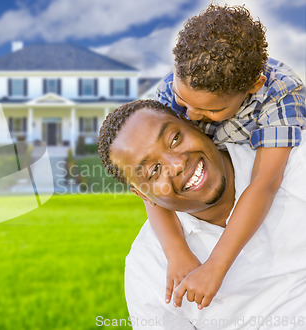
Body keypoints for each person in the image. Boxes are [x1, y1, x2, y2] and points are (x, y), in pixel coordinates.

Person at [97, 99, 306, 329]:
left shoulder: (293, 160)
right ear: (143, 195)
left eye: (174, 139)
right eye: (154, 171)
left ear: (194, 124)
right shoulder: (148, 268)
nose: (176, 164)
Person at [150, 4, 306, 309]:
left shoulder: (281, 93)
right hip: (210, 178)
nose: (190, 115)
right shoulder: (172, 89)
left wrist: (215, 267)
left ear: (253, 86)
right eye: (184, 101)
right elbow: (146, 176)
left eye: (211, 110)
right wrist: (176, 250)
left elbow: (265, 182)